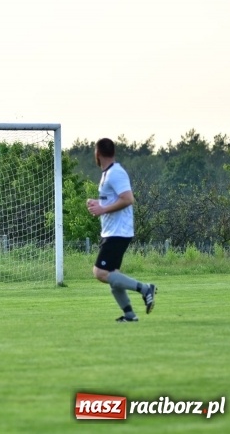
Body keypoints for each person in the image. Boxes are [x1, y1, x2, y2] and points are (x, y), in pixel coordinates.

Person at [87, 138, 156, 322]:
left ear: (97, 153)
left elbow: (128, 199)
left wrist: (102, 209)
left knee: (99, 272)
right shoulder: (108, 173)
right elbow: (114, 199)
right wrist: (98, 203)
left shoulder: (115, 173)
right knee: (112, 274)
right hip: (112, 231)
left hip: (118, 233)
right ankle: (129, 315)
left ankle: (144, 288)